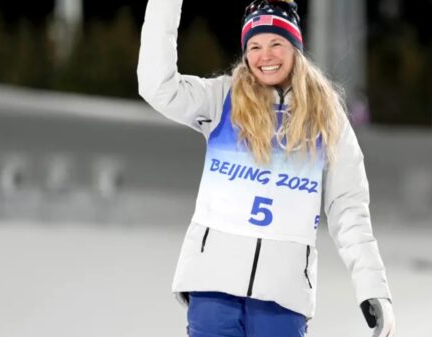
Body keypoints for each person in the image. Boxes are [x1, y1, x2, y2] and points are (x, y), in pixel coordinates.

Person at [137, 0, 395, 336]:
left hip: (282, 301)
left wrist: (372, 287)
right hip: (213, 292)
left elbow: (349, 208)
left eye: (276, 43)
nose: (266, 56)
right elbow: (157, 87)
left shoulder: (326, 117)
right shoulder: (222, 99)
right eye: (255, 46)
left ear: (295, 47)